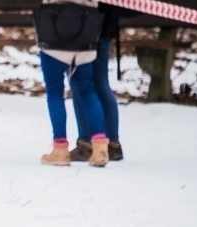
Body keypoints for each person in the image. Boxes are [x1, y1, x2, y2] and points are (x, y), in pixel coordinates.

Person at [36, 0, 109, 167]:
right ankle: (100, 148)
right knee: (87, 90)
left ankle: (60, 149)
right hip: (85, 33)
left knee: (55, 92)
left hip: (53, 34)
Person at [69, 3, 138, 162]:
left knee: (81, 84)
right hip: (102, 26)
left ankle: (87, 143)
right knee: (99, 83)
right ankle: (111, 143)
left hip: (88, 27)